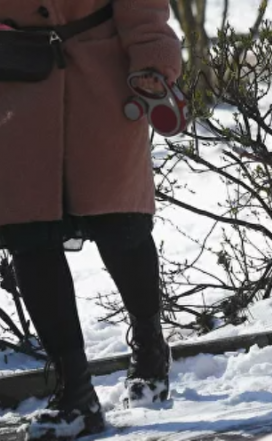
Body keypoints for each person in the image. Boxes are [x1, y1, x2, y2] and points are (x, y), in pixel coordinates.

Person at [0, 1, 183, 439]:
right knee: (29, 237)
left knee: (122, 226)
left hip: (103, 82)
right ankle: (75, 393)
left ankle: (150, 348)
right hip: (16, 85)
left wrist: (153, 61)